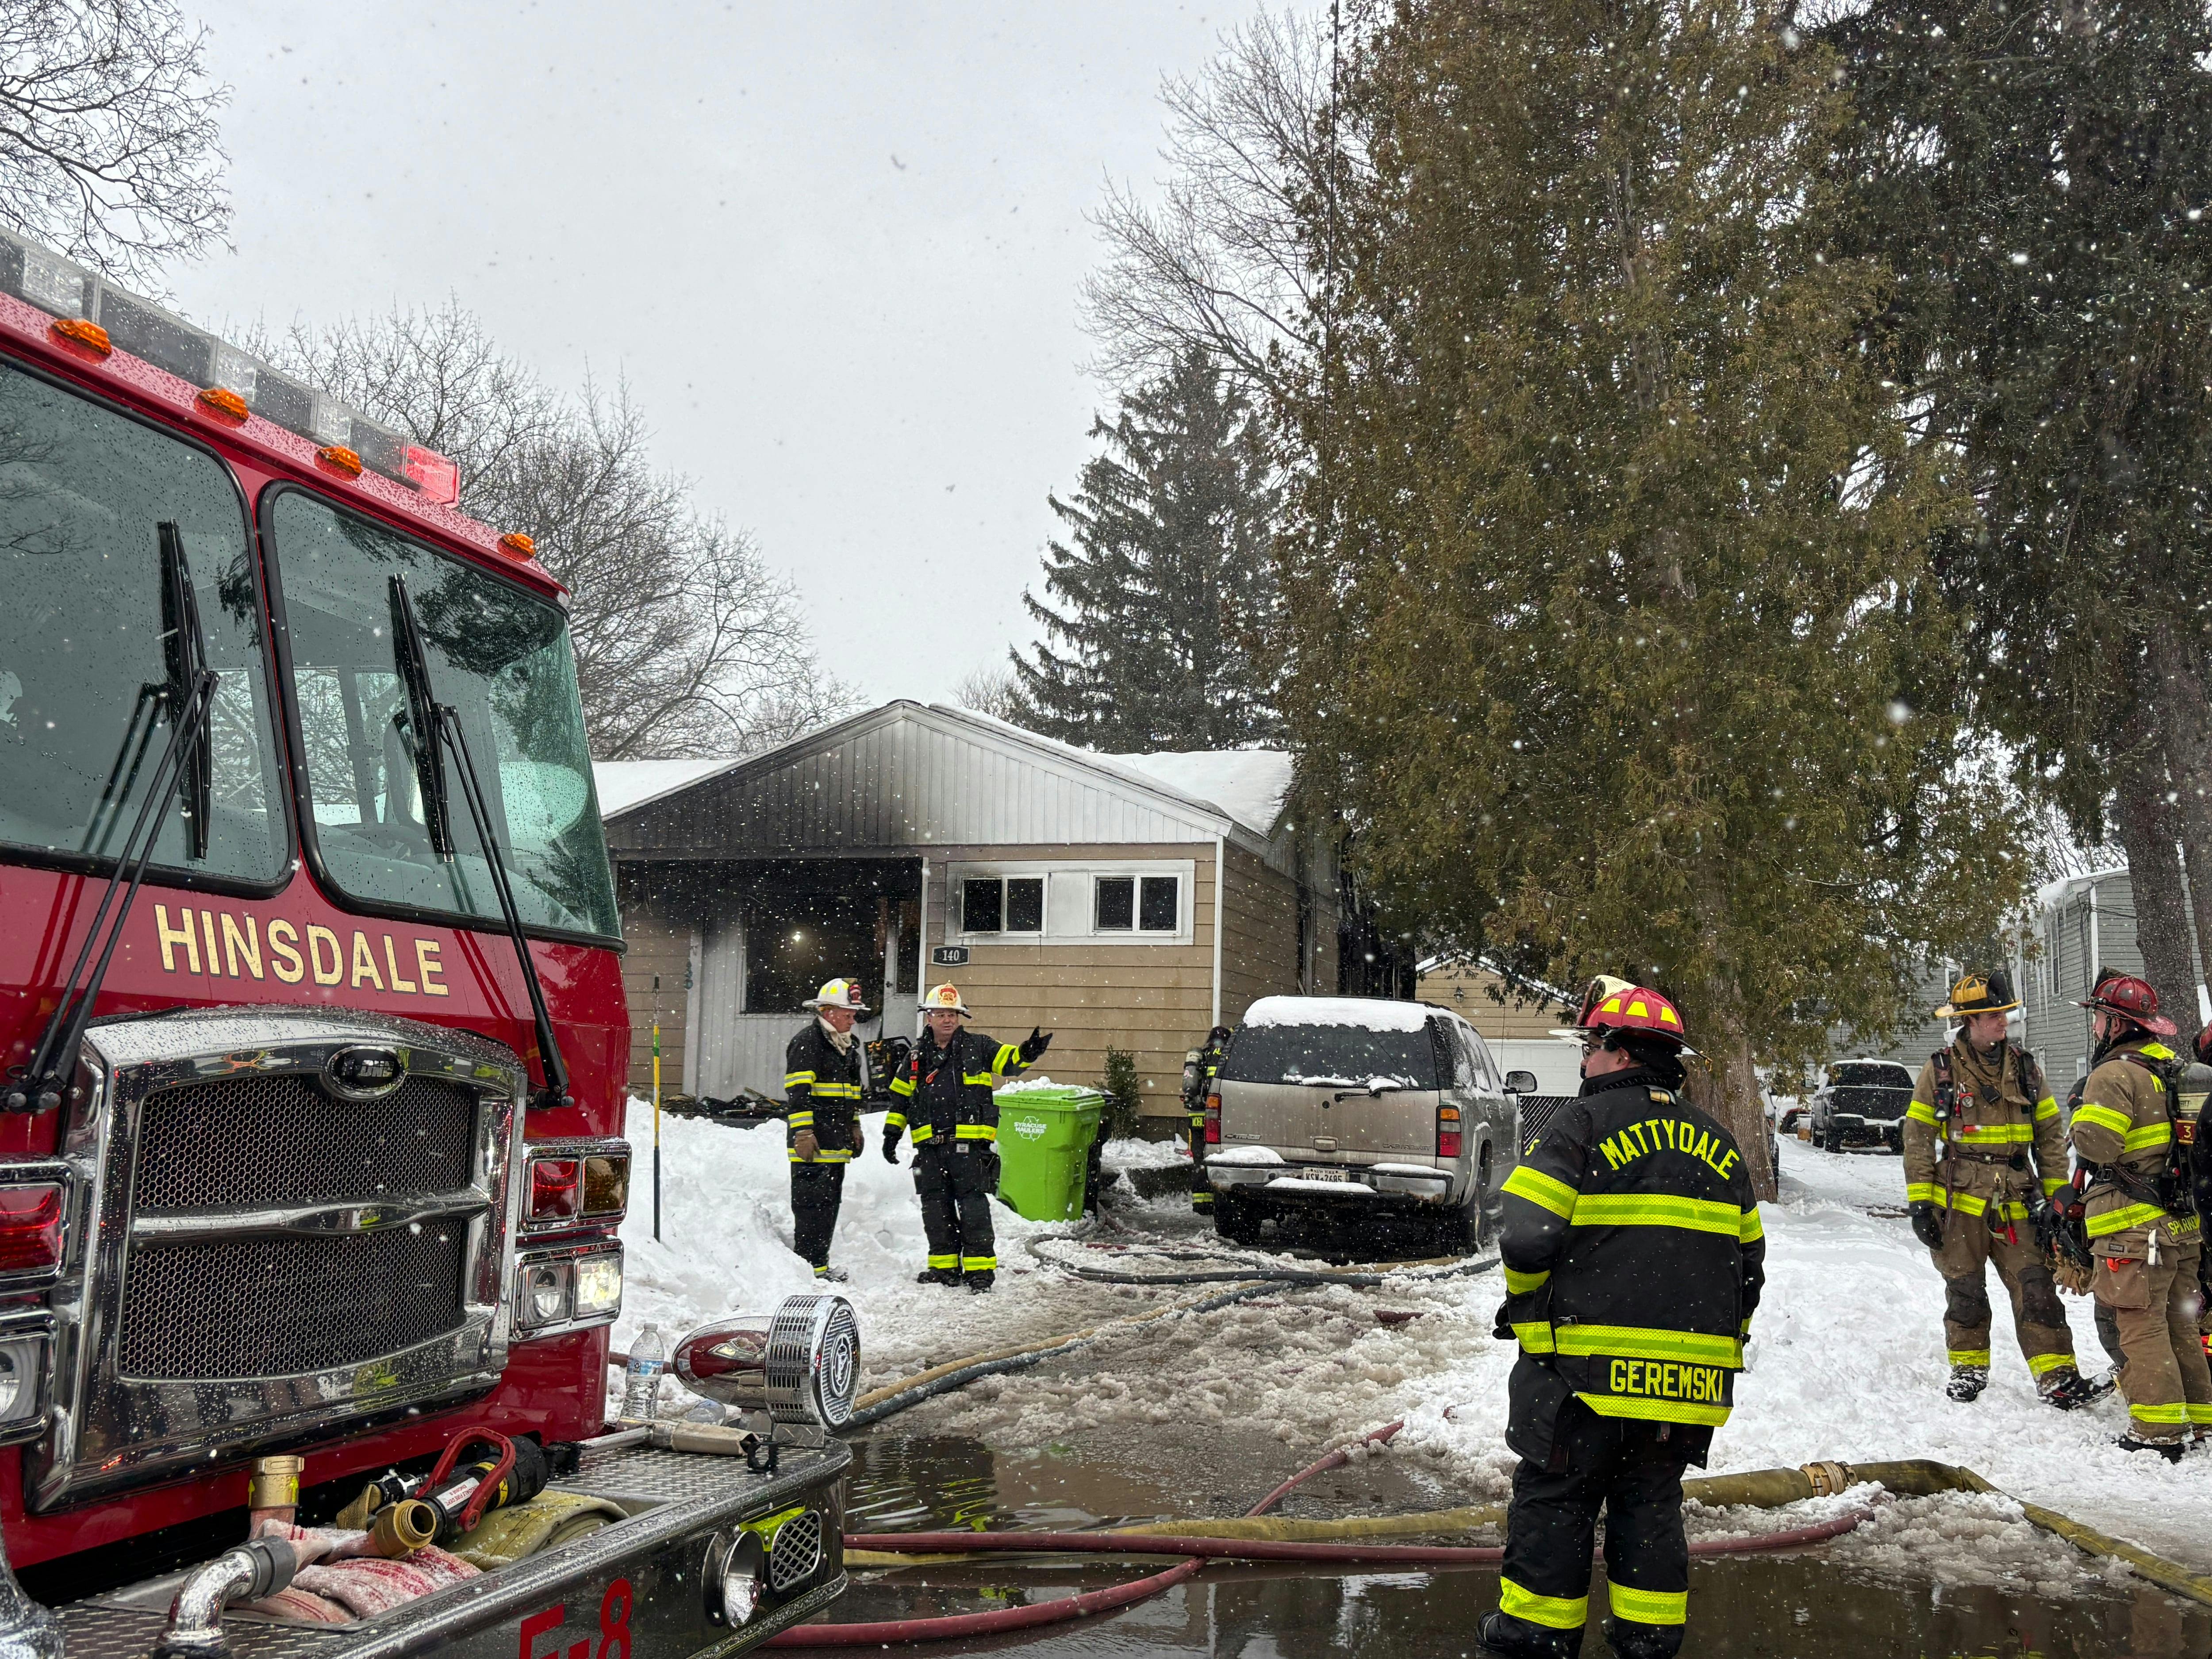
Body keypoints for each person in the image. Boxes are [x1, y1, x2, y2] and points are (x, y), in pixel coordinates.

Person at [1476, 977, 1763, 1659]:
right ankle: (1649, 1637)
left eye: (1590, 1046)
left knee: (1557, 1499)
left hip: (1584, 1375)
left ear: (1620, 1052)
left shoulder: (1580, 1126)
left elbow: (1525, 1237)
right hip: (1681, 1387)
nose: (1584, 1060)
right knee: (1650, 1505)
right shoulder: (1721, 1144)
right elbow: (1749, 1265)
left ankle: (1537, 1636)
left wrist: (1533, 1326)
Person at [1902, 971, 2096, 1407]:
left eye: (2004, 1014)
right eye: (1993, 1016)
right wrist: (1920, 1203)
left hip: (2017, 1199)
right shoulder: (1940, 1070)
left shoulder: (2025, 1068)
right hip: (1958, 1202)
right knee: (1965, 1290)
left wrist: (2057, 1200)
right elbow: (1917, 1138)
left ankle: (2058, 1378)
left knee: (2037, 1287)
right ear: (1969, 1021)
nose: (2003, 1022)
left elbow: (2050, 1137)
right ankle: (1968, 1370)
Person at [2069, 974, 2210, 1457]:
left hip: (2134, 1229)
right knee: (2179, 1324)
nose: (2095, 1027)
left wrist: (2079, 1111)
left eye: (2098, 1018)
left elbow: (2098, 1146)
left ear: (2115, 1024)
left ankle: (2157, 1431)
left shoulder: (2113, 1075)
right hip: (2181, 1226)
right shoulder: (2172, 1069)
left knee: (2140, 1326)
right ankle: (2201, 1419)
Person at [882, 983, 1052, 1293]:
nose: (947, 1020)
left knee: (974, 1210)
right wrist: (891, 1134)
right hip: (930, 1150)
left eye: (953, 1014)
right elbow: (900, 1099)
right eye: (941, 1014)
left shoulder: (979, 1047)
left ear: (960, 1018)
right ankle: (944, 1268)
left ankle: (980, 1272)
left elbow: (1009, 1061)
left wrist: (1028, 1052)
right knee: (936, 1210)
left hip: (968, 1148)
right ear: (929, 1018)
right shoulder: (916, 1057)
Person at [784, 977, 868, 1283]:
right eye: (847, 1013)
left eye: (854, 1013)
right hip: (814, 1145)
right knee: (811, 1208)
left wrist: (855, 1125)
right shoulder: (809, 1042)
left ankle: (819, 1267)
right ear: (828, 1011)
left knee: (828, 1207)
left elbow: (853, 1094)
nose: (853, 1019)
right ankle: (808, 1269)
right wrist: (803, 1133)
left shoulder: (848, 1048)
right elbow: (798, 1092)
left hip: (835, 1145)